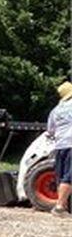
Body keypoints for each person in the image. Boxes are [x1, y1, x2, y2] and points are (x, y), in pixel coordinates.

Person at [46, 80, 72, 216]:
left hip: (60, 145)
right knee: (69, 176)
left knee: (61, 176)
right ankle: (60, 207)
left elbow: (50, 130)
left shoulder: (55, 110)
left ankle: (64, 205)